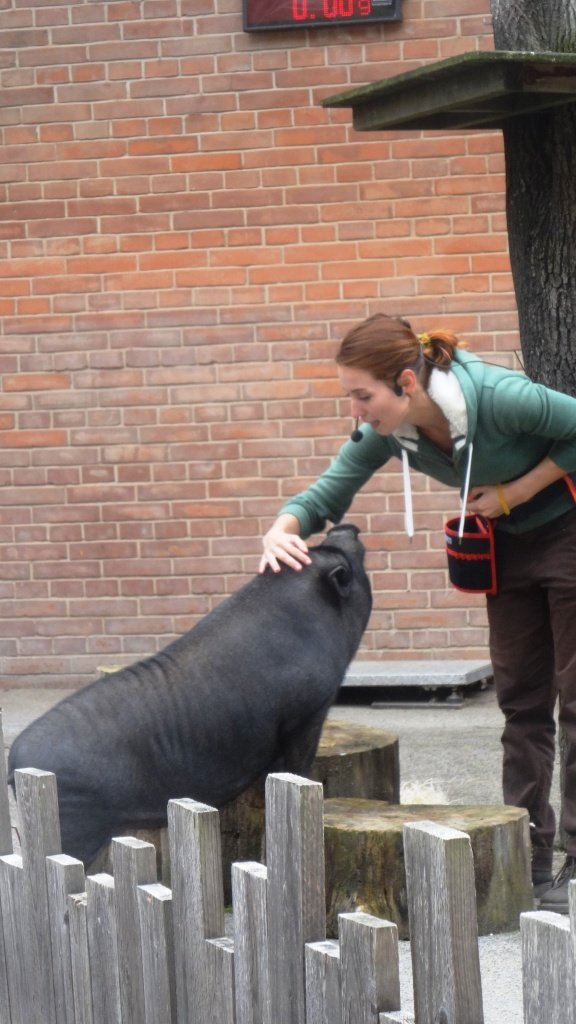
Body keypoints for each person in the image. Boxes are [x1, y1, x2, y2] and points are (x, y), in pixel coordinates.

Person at [260, 311, 576, 913]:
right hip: (505, 546)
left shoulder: (499, 397)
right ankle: (530, 854)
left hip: (567, 529)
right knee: (522, 705)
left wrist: (517, 491)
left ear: (406, 383)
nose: (356, 410)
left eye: (363, 395)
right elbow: (329, 491)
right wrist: (281, 529)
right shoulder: (389, 431)